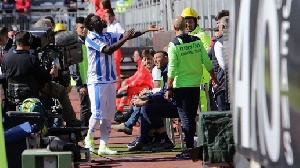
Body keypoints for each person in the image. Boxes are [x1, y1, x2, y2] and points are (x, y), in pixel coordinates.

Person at [83, 13, 163, 155]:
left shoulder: (107, 34)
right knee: (97, 112)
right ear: (92, 26)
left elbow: (127, 34)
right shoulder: (91, 37)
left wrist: (146, 30)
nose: (102, 20)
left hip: (110, 80)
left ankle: (103, 144)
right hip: (97, 80)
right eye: (98, 20)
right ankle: (88, 138)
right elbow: (108, 50)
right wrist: (125, 38)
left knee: (108, 115)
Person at [1, 31, 82, 127]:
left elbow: (5, 75)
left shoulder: (6, 58)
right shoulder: (31, 59)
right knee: (62, 91)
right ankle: (71, 120)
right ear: (30, 42)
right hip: (34, 90)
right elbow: (46, 78)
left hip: (14, 93)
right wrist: (52, 73)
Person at [166, 16, 218, 159]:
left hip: (181, 86)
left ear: (174, 27)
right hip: (195, 85)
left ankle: (190, 149)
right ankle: (194, 147)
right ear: (186, 26)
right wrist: (213, 78)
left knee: (186, 118)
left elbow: (171, 69)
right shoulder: (197, 41)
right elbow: (207, 61)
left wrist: (168, 88)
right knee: (192, 116)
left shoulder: (174, 45)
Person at [127, 50, 177, 152]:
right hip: (172, 102)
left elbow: (167, 94)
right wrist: (146, 98)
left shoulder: (169, 71)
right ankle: (151, 138)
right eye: (154, 58)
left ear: (166, 58)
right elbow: (163, 92)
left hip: (177, 105)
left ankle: (160, 139)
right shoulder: (164, 71)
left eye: (157, 58)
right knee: (145, 105)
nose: (155, 61)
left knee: (147, 107)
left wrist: (146, 100)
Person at [181, 7, 211, 112]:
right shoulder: (184, 37)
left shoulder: (202, 36)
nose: (188, 24)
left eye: (190, 21)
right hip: (190, 77)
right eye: (186, 22)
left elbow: (207, 56)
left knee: (202, 102)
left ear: (195, 22)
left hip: (201, 76)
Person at [116, 49, 154, 114]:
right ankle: (120, 110)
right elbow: (135, 77)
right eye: (145, 59)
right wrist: (126, 81)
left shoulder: (142, 66)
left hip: (147, 87)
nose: (133, 57)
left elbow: (138, 80)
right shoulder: (140, 65)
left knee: (126, 91)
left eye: (134, 55)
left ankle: (119, 111)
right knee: (125, 91)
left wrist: (126, 86)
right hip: (144, 86)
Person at [69, 16, 91, 127]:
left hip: (90, 79)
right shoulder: (74, 45)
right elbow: (73, 66)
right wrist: (79, 84)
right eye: (81, 27)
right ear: (76, 29)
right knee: (85, 106)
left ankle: (87, 129)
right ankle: (83, 130)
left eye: (86, 27)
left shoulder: (89, 41)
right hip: (82, 81)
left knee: (91, 107)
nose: (84, 29)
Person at [210, 10, 230, 111]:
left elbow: (223, 65)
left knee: (224, 115)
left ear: (222, 27)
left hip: (223, 84)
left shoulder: (219, 43)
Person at [105, 8, 125, 90]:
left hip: (115, 49)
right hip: (110, 49)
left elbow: (124, 34)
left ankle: (117, 86)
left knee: (116, 68)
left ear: (113, 17)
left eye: (110, 16)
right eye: (107, 16)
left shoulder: (117, 25)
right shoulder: (107, 26)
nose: (108, 18)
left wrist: (118, 43)